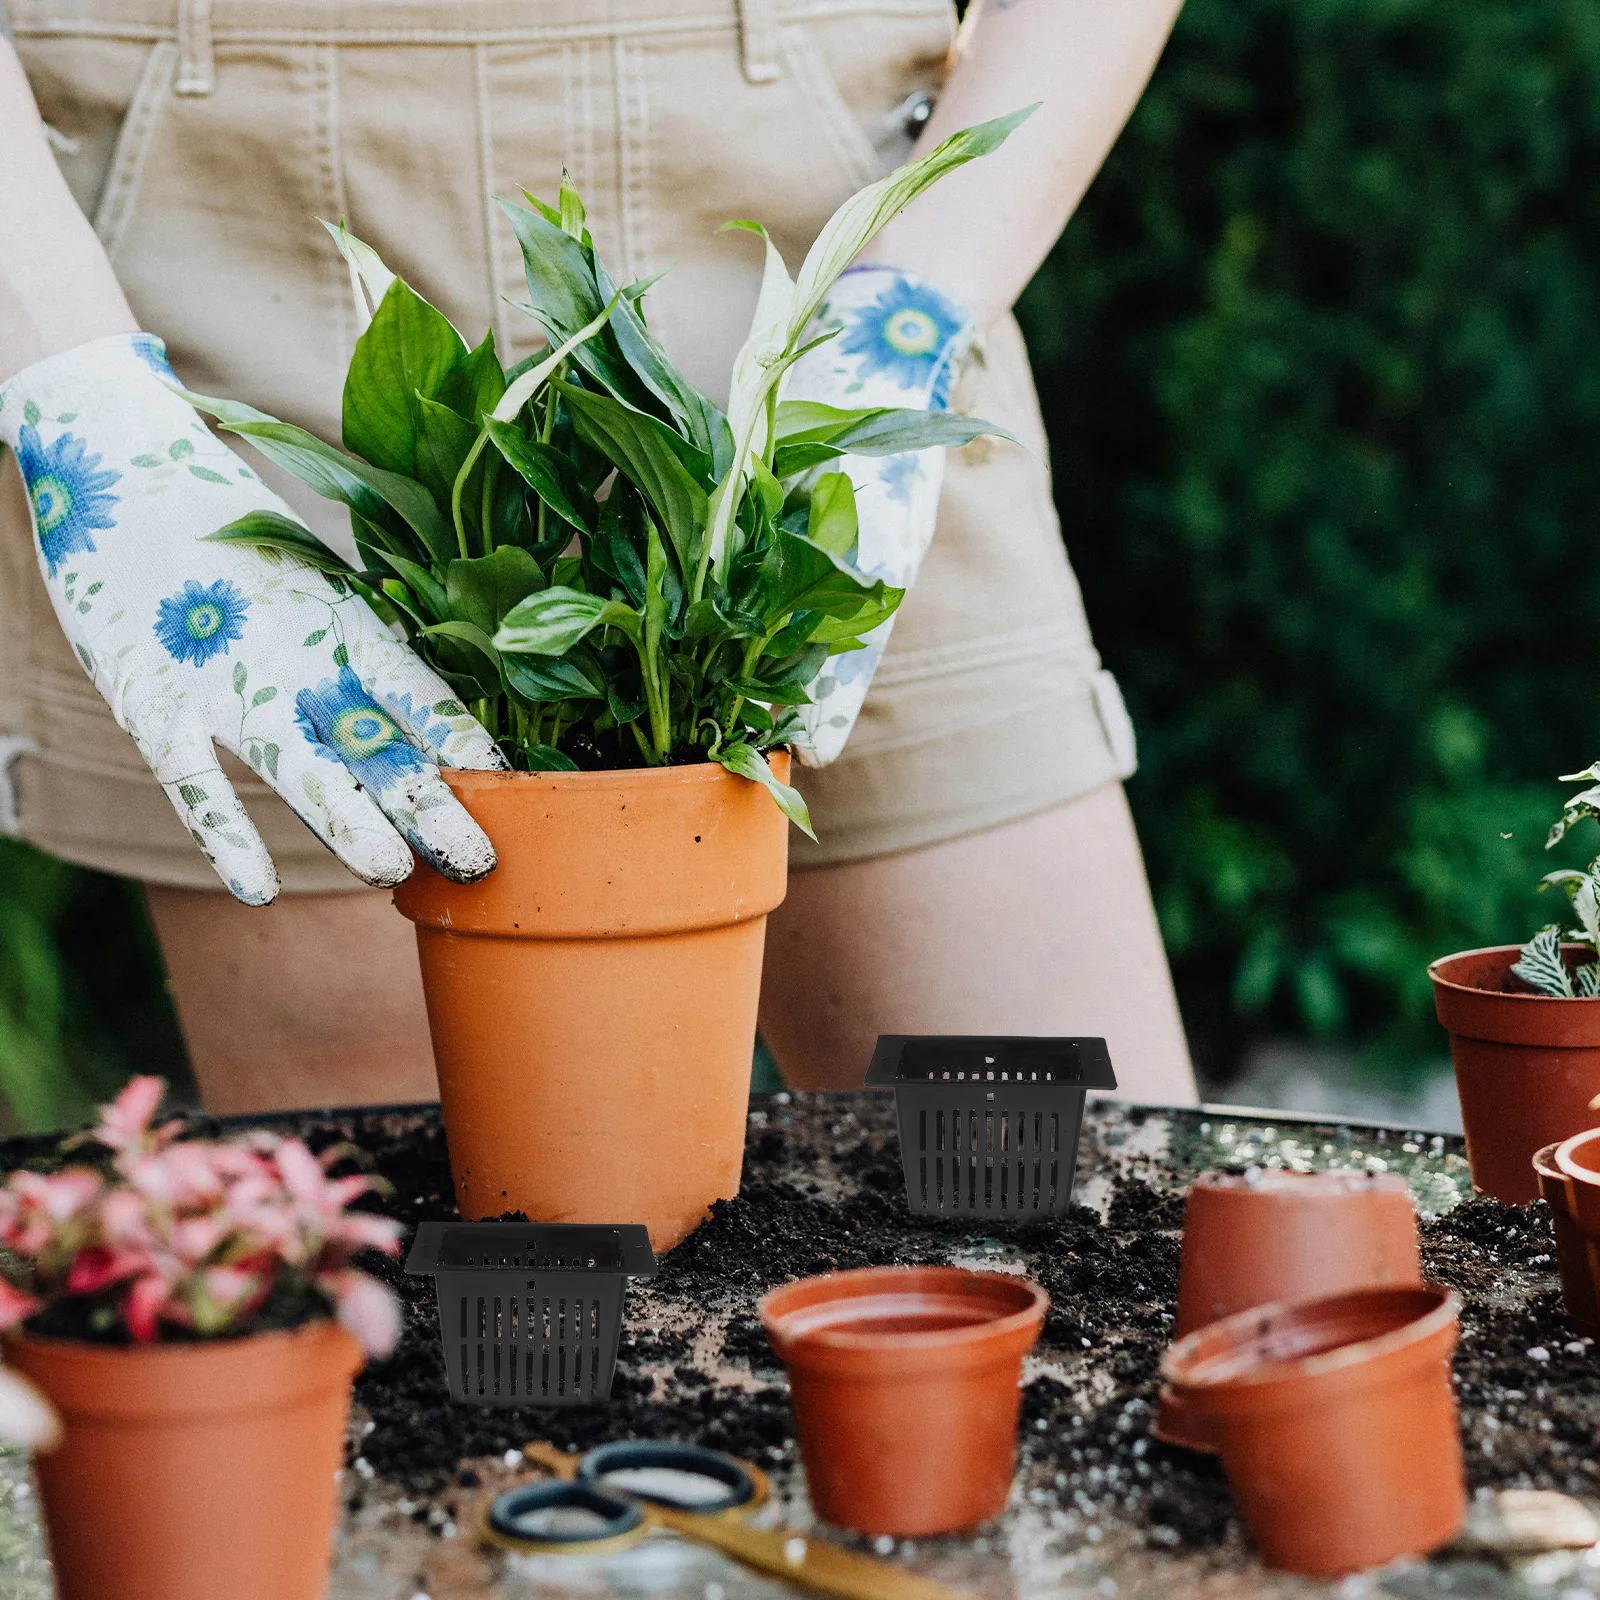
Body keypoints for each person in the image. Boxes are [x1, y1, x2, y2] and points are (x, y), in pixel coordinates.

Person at [0, 0, 1198, 1113]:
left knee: (1072, 1218)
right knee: (435, 1288)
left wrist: (922, 300)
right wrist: (78, 395)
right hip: (221, 233)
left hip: (794, 236)